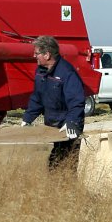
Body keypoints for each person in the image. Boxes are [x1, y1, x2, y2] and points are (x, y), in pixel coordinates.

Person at [21, 34, 86, 164]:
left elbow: (76, 101)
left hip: (67, 126)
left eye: (37, 53)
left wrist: (72, 122)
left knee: (67, 162)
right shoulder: (40, 72)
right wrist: (27, 119)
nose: (34, 56)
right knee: (52, 162)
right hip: (50, 124)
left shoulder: (67, 72)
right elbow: (37, 98)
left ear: (47, 55)